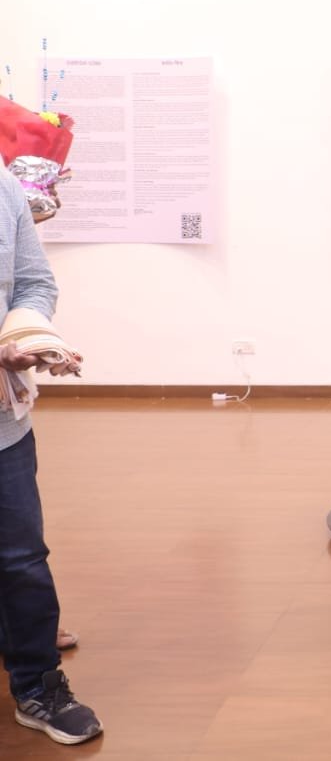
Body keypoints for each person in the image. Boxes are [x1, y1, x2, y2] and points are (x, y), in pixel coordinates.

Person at [0, 165, 101, 745]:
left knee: (21, 558)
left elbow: (35, 283)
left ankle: (38, 684)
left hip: (3, 425)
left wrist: (27, 337)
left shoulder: (4, 186)